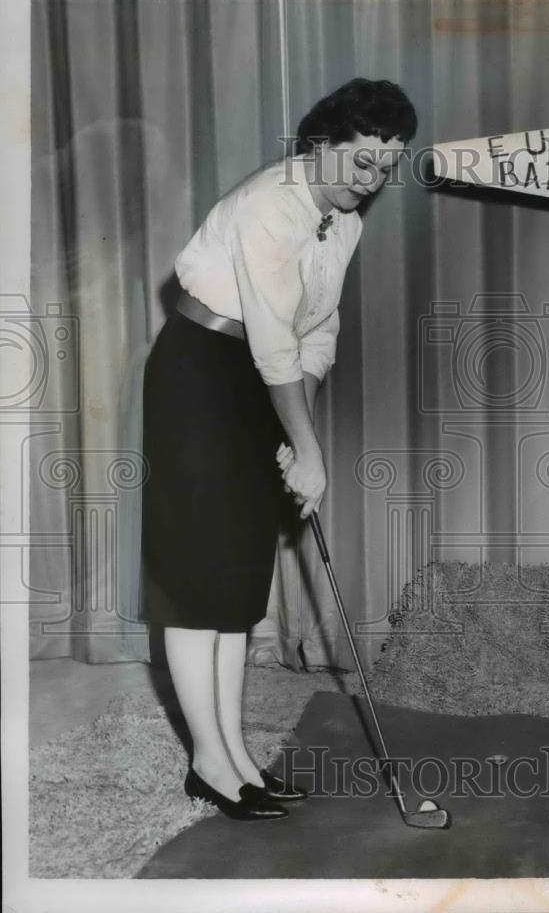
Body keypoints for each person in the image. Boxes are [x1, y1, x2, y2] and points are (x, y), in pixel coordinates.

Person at [142, 78, 417, 819]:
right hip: (202, 372)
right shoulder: (271, 203)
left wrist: (304, 441)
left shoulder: (345, 221)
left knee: (236, 581)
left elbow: (316, 333)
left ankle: (235, 756)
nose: (375, 179)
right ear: (319, 146)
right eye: (363, 161)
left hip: (268, 378)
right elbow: (270, 339)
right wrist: (307, 447)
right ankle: (209, 760)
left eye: (388, 165)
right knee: (200, 579)